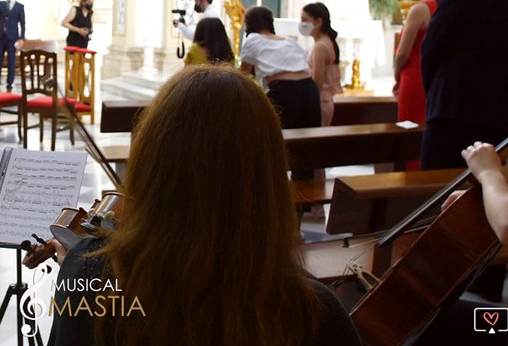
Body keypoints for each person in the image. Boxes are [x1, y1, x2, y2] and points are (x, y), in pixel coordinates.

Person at [28, 65, 361, 346]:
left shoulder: (92, 278)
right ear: (269, 180)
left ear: (152, 165)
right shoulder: (315, 313)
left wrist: (81, 264)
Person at [420, 0, 508, 170]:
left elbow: (432, 46)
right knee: (485, 181)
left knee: (438, 181)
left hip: (452, 106)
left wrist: (433, 91)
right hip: (499, 111)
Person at [240, 6, 321, 180]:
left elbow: (241, 77)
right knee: (305, 146)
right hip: (309, 90)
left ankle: (274, 191)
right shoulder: (290, 41)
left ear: (249, 24)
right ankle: (305, 202)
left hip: (284, 91)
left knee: (271, 144)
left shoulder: (253, 39)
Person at [394, 0, 440, 139]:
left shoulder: (420, 8)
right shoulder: (440, 6)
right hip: (430, 75)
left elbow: (403, 52)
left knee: (409, 126)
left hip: (413, 74)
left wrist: (397, 74)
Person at [302, 2, 342, 126]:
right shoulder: (326, 41)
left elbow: (317, 82)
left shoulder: (320, 46)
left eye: (305, 20)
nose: (302, 24)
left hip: (319, 101)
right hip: (324, 100)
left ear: (318, 22)